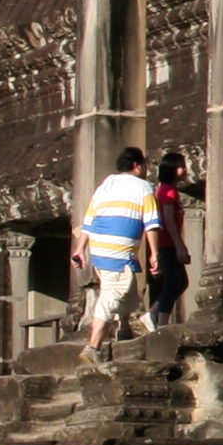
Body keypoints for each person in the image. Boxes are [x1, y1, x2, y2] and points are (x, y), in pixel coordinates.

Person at [71, 145, 163, 362]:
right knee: (112, 294)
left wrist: (80, 248)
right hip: (119, 249)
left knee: (128, 291)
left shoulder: (107, 184)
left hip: (99, 246)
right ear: (137, 165)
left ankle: (124, 328)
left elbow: (89, 219)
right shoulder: (144, 187)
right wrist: (155, 254)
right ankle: (93, 347)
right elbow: (152, 224)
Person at [145, 149, 195, 333]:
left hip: (169, 243)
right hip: (168, 243)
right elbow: (168, 220)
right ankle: (161, 324)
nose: (185, 170)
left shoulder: (169, 190)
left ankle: (154, 314)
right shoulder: (168, 191)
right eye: (181, 167)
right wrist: (179, 245)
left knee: (181, 283)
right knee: (173, 283)